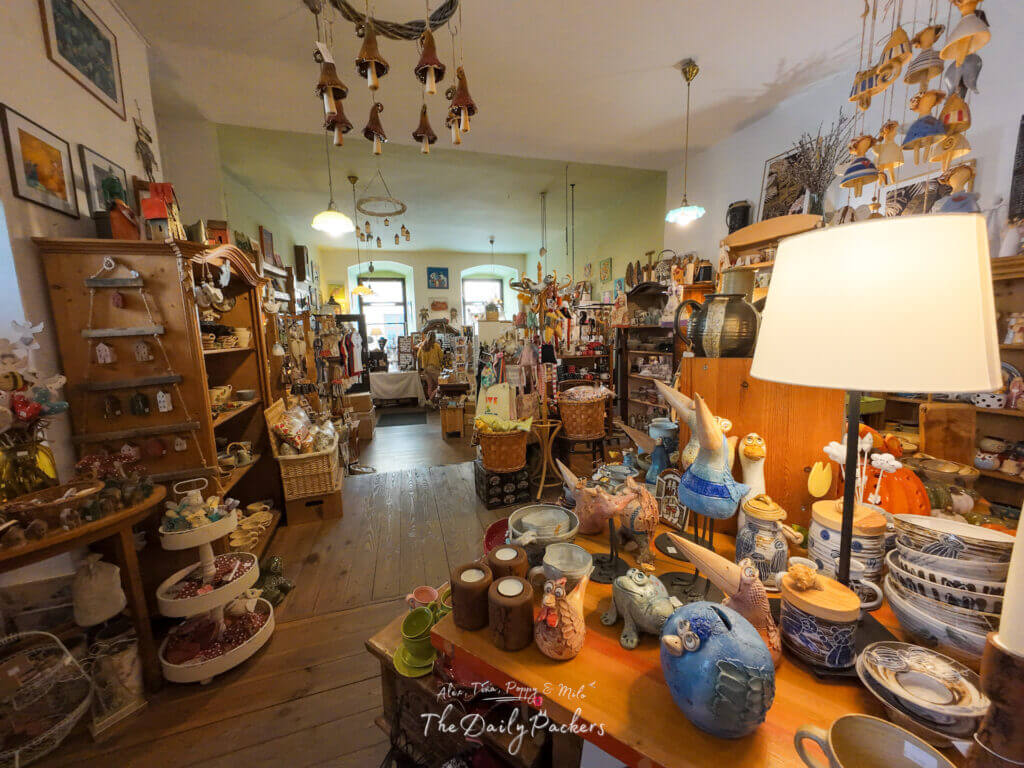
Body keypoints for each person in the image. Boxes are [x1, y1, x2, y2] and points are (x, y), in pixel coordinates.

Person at [417, 331, 443, 401]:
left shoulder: (422, 346)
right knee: (441, 385)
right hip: (434, 368)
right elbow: (441, 357)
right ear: (434, 337)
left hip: (425, 369)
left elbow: (418, 356)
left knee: (430, 386)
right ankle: (430, 400)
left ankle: (431, 402)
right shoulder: (436, 346)